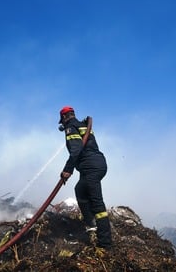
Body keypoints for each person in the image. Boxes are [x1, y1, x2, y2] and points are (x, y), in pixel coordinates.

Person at [58, 106, 112, 250]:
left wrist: (67, 170)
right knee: (80, 190)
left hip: (90, 167)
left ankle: (105, 244)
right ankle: (91, 224)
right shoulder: (82, 124)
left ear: (64, 118)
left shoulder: (71, 127)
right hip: (97, 164)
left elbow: (76, 150)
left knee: (97, 203)